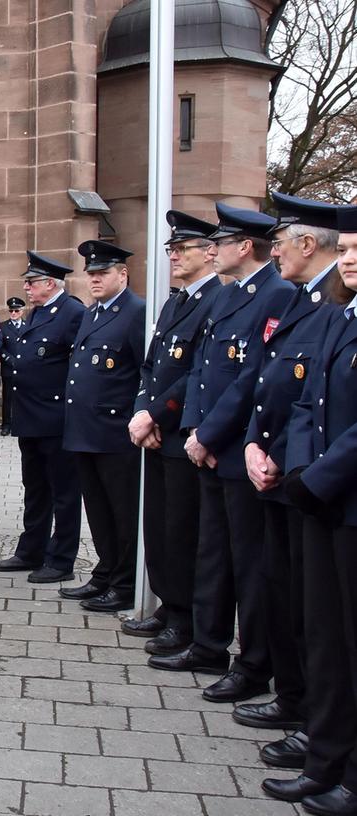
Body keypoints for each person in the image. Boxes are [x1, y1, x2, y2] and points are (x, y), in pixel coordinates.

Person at [156, 204, 294, 707]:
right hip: (209, 445)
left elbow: (251, 378)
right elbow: (200, 370)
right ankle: (209, 644)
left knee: (249, 564)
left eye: (222, 243)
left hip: (237, 449)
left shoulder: (275, 295)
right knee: (212, 552)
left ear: (246, 248)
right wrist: (194, 428)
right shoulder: (229, 296)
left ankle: (254, 663)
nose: (211, 251)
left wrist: (209, 434)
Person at [262, 203, 357, 816]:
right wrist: (299, 472)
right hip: (322, 500)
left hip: (345, 501)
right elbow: (305, 402)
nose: (349, 262)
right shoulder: (339, 317)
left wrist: (314, 478)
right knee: (324, 637)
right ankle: (325, 759)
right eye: (345, 251)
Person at [239, 194, 341, 758]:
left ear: (308, 244)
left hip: (309, 477)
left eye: (278, 242)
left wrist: (291, 461)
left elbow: (316, 394)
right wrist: (257, 441)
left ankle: (314, 718)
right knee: (284, 589)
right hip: (279, 466)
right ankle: (294, 697)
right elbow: (274, 382)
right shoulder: (303, 297)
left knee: (315, 609)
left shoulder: (331, 301)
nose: (270, 251)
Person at [126, 210, 225, 660]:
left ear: (210, 252)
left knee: (185, 530)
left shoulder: (216, 301)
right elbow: (152, 366)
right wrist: (142, 411)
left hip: (182, 430)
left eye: (182, 249)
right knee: (161, 526)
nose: (174, 257)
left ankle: (186, 616)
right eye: (171, 249)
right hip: (157, 431)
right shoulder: (175, 302)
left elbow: (198, 373)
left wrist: (156, 416)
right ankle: (169, 604)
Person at [62, 240, 146, 613]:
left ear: (122, 274)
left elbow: (146, 372)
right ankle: (105, 572)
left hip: (116, 433)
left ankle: (125, 582)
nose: (94, 279)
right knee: (96, 509)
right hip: (85, 430)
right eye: (91, 274)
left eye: (102, 273)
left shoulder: (135, 313)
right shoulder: (92, 314)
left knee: (121, 511)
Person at [0, 252, 85, 583]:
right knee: (34, 488)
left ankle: (61, 559)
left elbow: (79, 365)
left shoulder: (72, 312)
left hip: (56, 418)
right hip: (30, 416)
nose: (26, 287)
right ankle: (31, 549)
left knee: (63, 491)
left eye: (31, 282)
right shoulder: (37, 313)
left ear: (50, 283)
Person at [0, 296, 25, 435]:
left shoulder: (28, 326)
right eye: (11, 311)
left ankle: (20, 423)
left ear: (22, 311)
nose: (13, 313)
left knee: (23, 396)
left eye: (16, 311)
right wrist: (9, 359)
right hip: (9, 367)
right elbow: (0, 348)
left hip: (24, 368)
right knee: (8, 396)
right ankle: (6, 424)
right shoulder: (3, 327)